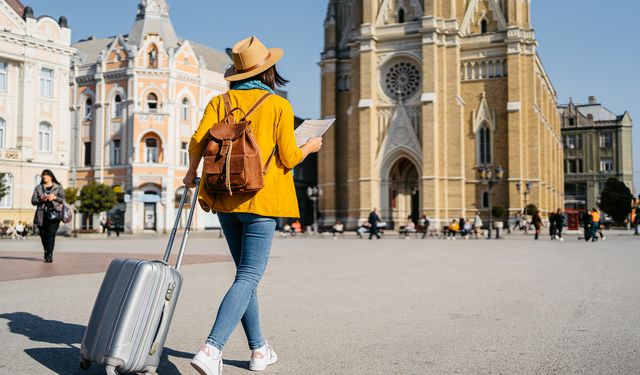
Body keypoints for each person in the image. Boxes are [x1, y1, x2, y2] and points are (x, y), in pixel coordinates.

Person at [183, 36, 323, 375]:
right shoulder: (278, 106)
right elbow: (289, 158)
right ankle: (211, 348)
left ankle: (259, 350)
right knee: (248, 276)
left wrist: (191, 172)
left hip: (225, 196)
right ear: (269, 70)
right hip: (262, 199)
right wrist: (311, 146)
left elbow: (198, 140)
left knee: (245, 278)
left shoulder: (220, 101)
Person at [31, 169, 66, 262]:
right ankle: (46, 250)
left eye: (46, 175)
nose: (44, 176)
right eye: (43, 175)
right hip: (41, 215)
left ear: (51, 176)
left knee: (51, 234)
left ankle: (49, 254)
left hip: (55, 214)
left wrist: (54, 197)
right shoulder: (38, 188)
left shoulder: (58, 187)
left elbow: (63, 199)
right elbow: (33, 201)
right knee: (43, 234)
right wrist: (41, 199)